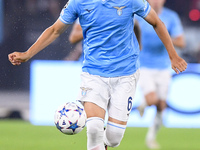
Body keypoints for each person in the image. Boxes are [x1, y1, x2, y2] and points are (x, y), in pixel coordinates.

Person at [8, 0, 187, 149]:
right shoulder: (78, 2)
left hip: (126, 75)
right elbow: (56, 29)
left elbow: (156, 22)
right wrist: (27, 54)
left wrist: (173, 56)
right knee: (94, 128)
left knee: (114, 138)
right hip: (93, 74)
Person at [136, 0, 186, 149]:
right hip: (143, 65)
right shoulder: (139, 15)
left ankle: (150, 138)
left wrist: (163, 35)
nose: (156, 2)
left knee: (161, 106)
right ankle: (145, 102)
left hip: (164, 66)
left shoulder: (171, 17)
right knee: (153, 100)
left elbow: (181, 42)